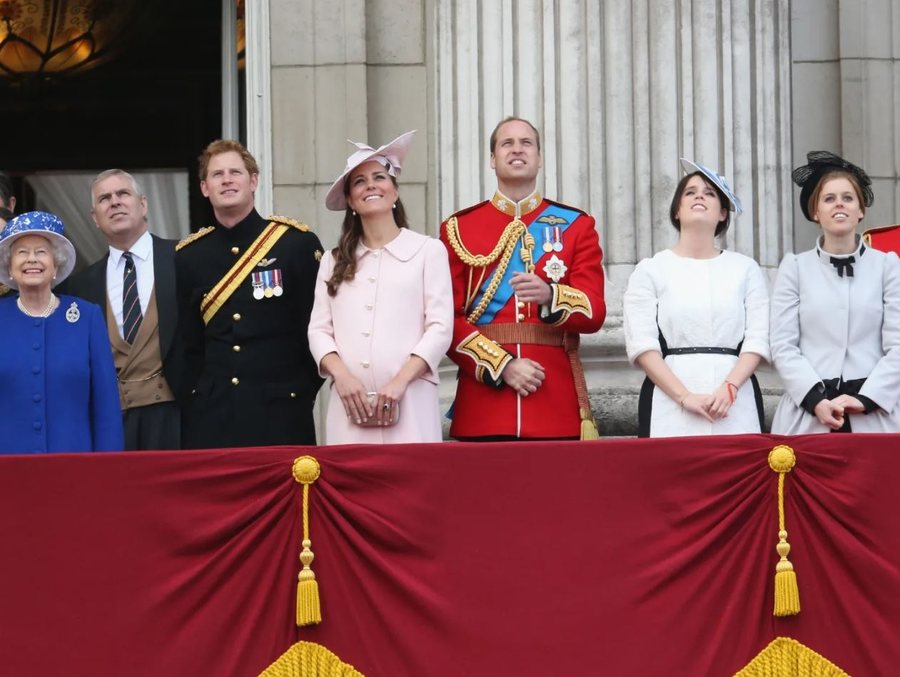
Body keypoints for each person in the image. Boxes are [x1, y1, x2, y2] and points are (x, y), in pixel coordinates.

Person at [439, 116, 606, 440]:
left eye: (526, 143)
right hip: (484, 399)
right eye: (507, 143)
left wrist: (551, 296)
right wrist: (502, 365)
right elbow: (446, 318)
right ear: (492, 159)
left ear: (539, 158)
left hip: (553, 397)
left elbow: (594, 311)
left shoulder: (577, 225)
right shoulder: (458, 229)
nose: (517, 150)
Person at [175, 140, 324, 448]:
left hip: (282, 411)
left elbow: (316, 328)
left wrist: (298, 391)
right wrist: (196, 397)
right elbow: (189, 344)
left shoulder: (295, 245)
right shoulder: (190, 256)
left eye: (235, 172)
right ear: (205, 188)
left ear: (253, 181)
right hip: (213, 416)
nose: (226, 180)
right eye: (217, 175)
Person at [309, 131, 453, 444]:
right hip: (350, 408)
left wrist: (399, 382)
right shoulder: (333, 261)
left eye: (379, 177)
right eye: (359, 181)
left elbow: (440, 328)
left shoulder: (428, 251)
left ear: (394, 191)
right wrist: (343, 377)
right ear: (350, 200)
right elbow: (318, 331)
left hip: (411, 402)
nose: (371, 185)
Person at [623, 159, 769, 437]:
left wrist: (730, 388)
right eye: (690, 192)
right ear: (677, 210)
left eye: (710, 192)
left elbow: (758, 338)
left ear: (724, 213)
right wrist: (684, 397)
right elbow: (643, 344)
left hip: (734, 399)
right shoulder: (651, 269)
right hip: (670, 400)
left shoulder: (745, 268)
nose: (699, 196)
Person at [770, 151, 900, 434]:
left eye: (848, 197)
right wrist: (815, 400)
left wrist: (865, 399)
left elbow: (898, 345)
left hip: (876, 417)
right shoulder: (794, 267)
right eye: (829, 198)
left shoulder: (888, 265)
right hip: (809, 416)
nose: (839, 204)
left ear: (860, 209)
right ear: (815, 211)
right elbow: (782, 345)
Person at [63, 169, 185, 450]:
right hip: (111, 422)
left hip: (176, 418)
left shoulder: (184, 258)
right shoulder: (80, 285)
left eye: (123, 194)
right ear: (95, 218)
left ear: (143, 205)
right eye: (104, 198)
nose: (114, 202)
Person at [0, 211, 123, 453]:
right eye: (22, 252)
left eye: (41, 252)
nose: (31, 260)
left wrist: (108, 470)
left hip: (75, 466)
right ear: (10, 267)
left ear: (56, 264)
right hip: (7, 467)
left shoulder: (87, 317)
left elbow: (106, 406)